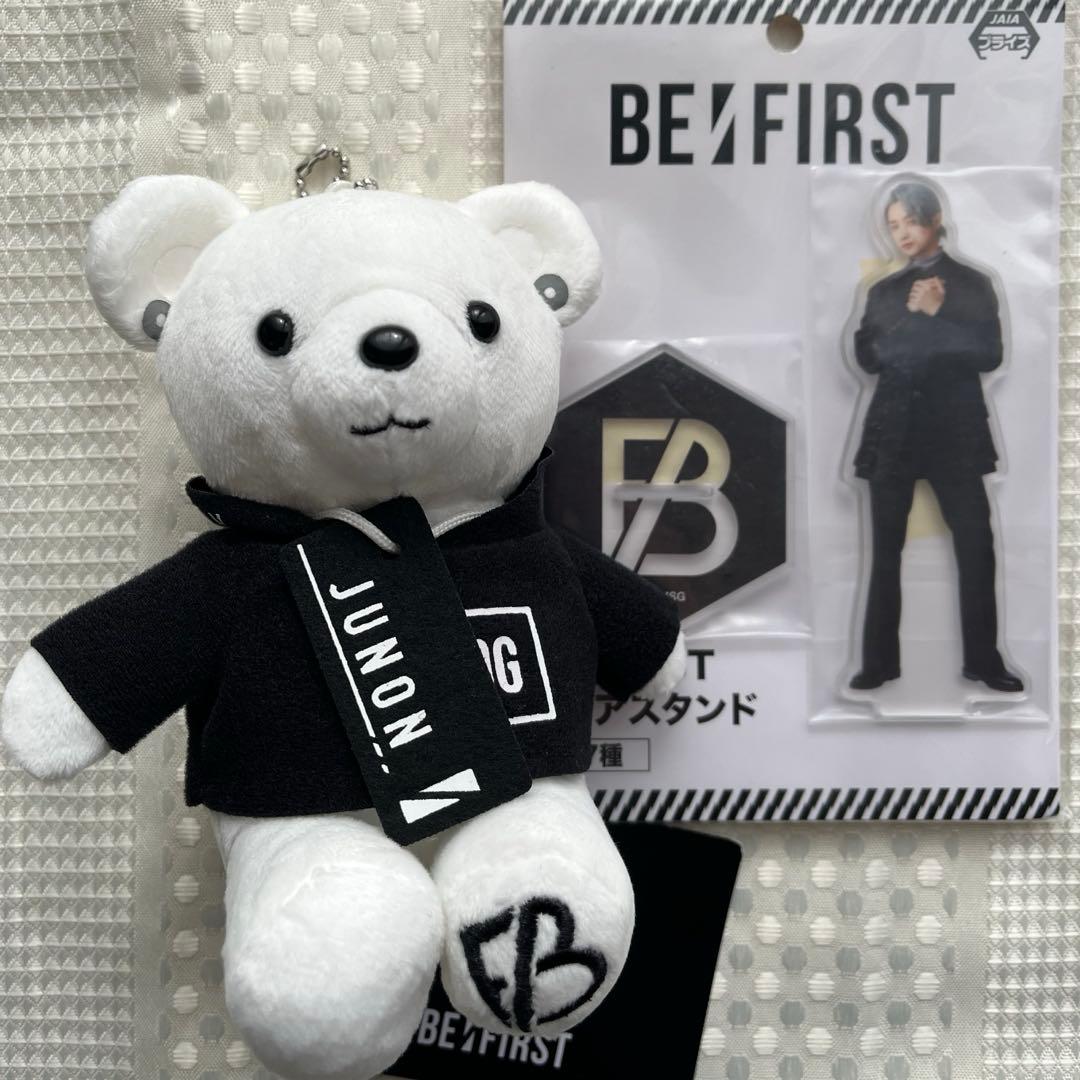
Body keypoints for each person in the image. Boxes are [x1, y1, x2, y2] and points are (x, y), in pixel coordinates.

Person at [848, 180, 1023, 693]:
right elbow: (869, 357)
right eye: (894, 225)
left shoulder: (973, 283)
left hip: (955, 436)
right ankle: (878, 664)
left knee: (976, 548)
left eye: (910, 221)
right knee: (884, 554)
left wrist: (938, 314)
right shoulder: (883, 291)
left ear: (935, 219)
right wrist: (912, 316)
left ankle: (984, 662)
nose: (902, 233)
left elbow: (988, 354)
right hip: (894, 434)